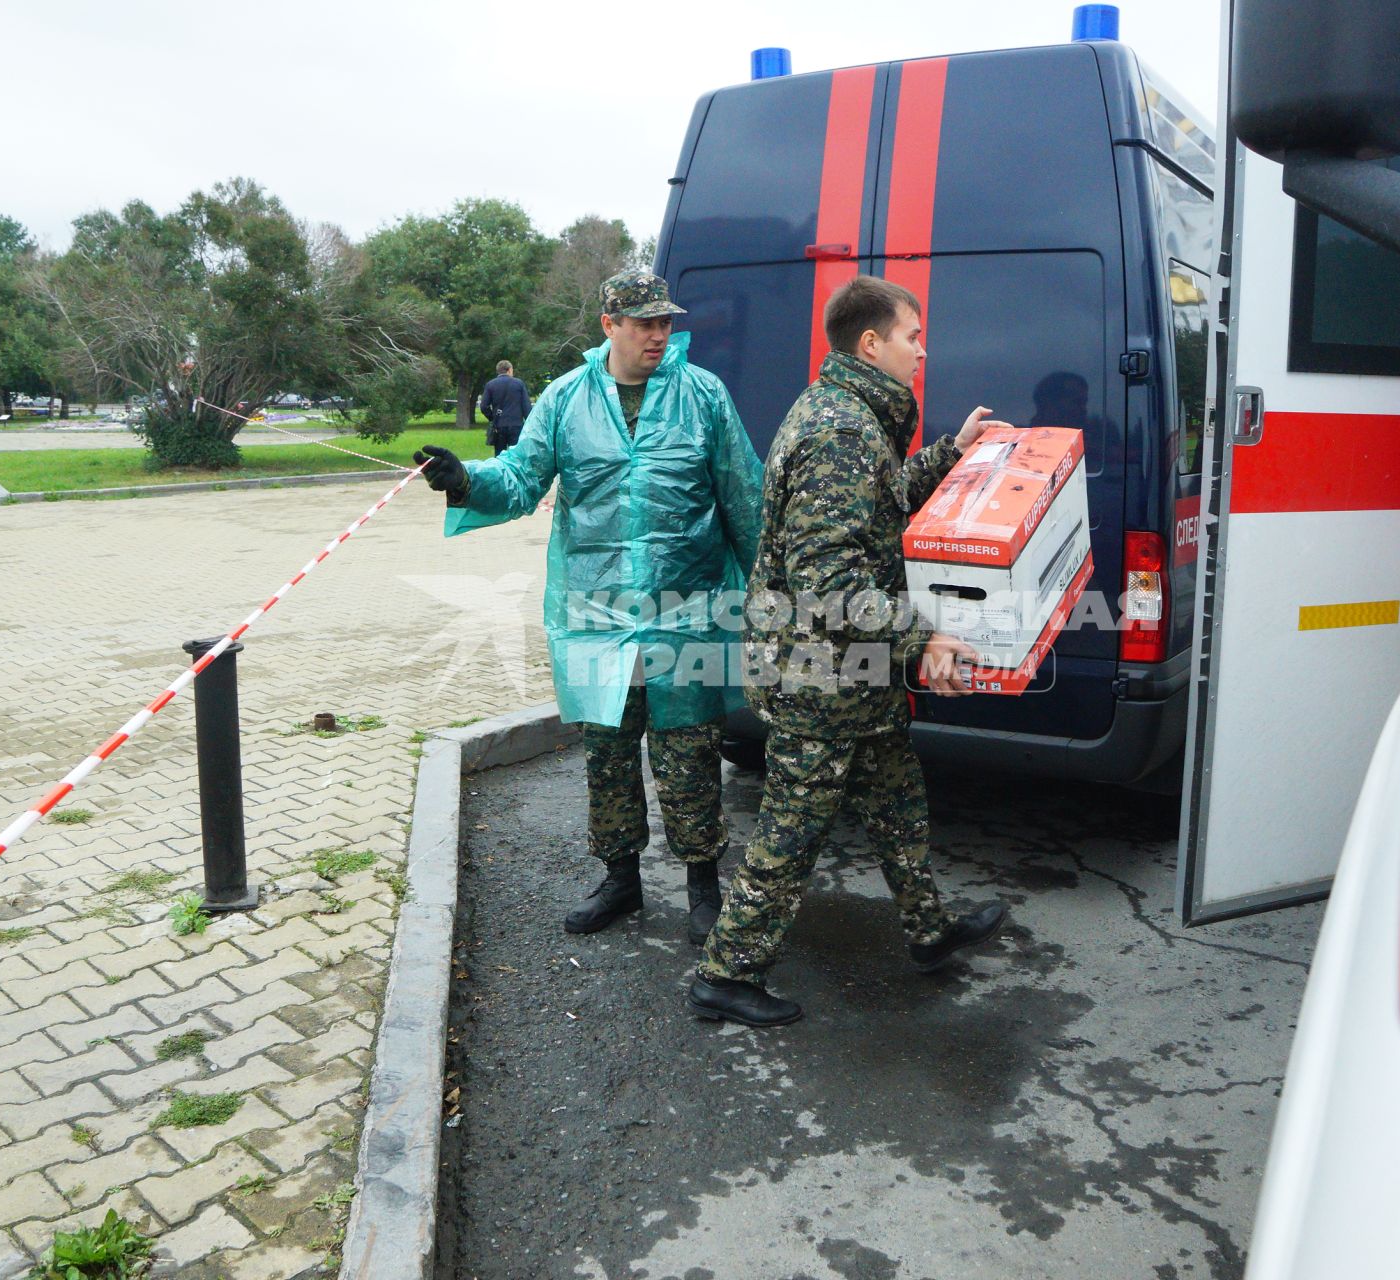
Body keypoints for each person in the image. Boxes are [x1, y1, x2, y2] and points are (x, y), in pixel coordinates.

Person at [689, 274, 1014, 1029]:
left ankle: (929, 932)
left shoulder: (853, 416)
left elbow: (879, 500)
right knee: (792, 830)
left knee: (898, 800)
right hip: (817, 675)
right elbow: (827, 582)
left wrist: (950, 451)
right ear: (871, 344)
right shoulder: (841, 429)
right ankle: (724, 975)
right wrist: (923, 635)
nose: (922, 352)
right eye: (912, 337)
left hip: (849, 673)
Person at [414, 271, 763, 943]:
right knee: (607, 753)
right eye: (644, 323)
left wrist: (771, 592)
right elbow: (519, 478)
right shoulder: (567, 400)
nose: (659, 333)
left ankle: (702, 887)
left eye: (665, 321)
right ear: (609, 324)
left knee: (690, 755)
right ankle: (621, 880)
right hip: (595, 613)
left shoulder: (703, 396)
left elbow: (743, 497)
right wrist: (465, 480)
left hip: (683, 611)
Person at [479, 360, 532, 457]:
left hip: (499, 425)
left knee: (499, 456)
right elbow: (526, 406)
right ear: (509, 370)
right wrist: (529, 423)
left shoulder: (490, 385)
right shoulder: (519, 384)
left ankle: (500, 471)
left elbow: (483, 406)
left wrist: (492, 417)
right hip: (516, 425)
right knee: (517, 456)